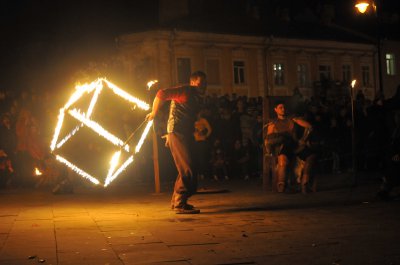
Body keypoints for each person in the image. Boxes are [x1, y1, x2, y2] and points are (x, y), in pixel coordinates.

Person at [146, 71, 207, 214]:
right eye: (200, 83)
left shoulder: (197, 97)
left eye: (205, 83)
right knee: (188, 168)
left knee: (189, 166)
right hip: (178, 133)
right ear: (192, 82)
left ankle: (178, 201)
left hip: (184, 133)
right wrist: (154, 113)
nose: (203, 86)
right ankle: (179, 203)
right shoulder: (185, 90)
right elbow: (161, 93)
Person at [264, 101, 312, 192]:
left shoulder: (292, 119)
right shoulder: (273, 124)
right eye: (280, 107)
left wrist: (303, 139)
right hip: (283, 147)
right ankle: (281, 186)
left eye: (284, 107)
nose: (283, 109)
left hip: (295, 145)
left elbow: (309, 127)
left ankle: (304, 182)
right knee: (282, 160)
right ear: (276, 109)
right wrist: (270, 151)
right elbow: (268, 140)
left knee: (310, 155)